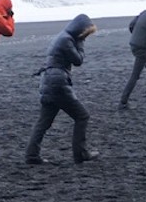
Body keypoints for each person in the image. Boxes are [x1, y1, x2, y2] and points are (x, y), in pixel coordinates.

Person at [24, 13, 99, 164]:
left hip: (49, 81)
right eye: (85, 34)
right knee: (82, 116)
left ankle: (31, 155)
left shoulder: (62, 37)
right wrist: (81, 44)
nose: (85, 37)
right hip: (58, 83)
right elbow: (78, 60)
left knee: (44, 122)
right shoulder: (67, 40)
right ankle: (81, 153)